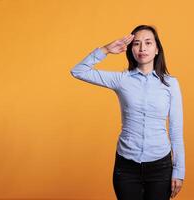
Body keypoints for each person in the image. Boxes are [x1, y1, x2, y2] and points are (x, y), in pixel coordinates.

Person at [70, 25, 185, 200]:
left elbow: (176, 131)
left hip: (160, 166)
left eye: (148, 43)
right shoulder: (121, 79)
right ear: (131, 50)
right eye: (136, 44)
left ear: (157, 50)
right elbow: (78, 71)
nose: (142, 48)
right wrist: (106, 49)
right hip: (126, 167)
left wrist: (179, 170)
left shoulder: (170, 84)